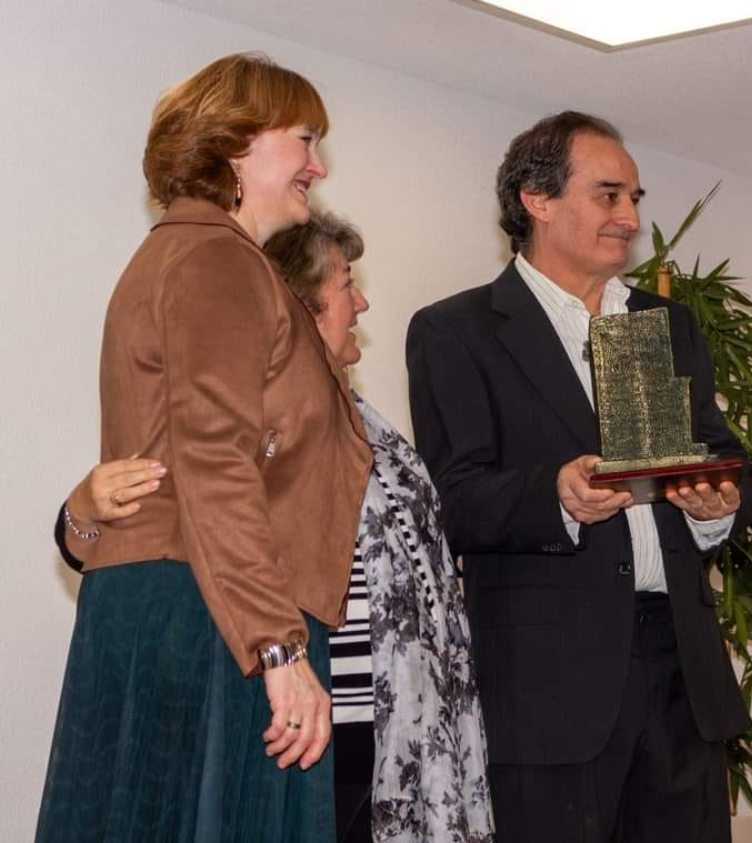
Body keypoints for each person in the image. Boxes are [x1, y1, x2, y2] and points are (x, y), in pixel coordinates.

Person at [57, 212, 494, 843]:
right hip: (305, 717)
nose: (362, 300)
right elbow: (181, 521)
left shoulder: (369, 425)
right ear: (301, 301)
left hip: (401, 729)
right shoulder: (257, 417)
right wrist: (78, 513)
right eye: (347, 283)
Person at [37, 54, 372, 843]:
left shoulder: (190, 254)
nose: (317, 165)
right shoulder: (220, 258)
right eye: (304, 138)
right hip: (216, 614)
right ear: (237, 142)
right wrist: (280, 646)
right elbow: (216, 457)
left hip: (189, 603)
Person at [405, 111, 752, 842]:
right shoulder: (459, 330)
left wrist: (716, 504)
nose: (629, 217)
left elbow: (727, 463)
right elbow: (454, 499)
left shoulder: (659, 324)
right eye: (608, 195)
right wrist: (554, 495)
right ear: (536, 200)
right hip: (549, 688)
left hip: (681, 678)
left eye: (634, 197)